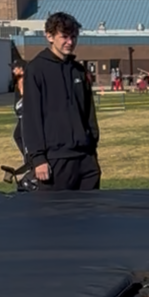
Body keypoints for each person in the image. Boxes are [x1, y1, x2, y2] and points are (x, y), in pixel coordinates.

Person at [23, 11, 101, 191]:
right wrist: (38, 158)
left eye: (74, 37)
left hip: (85, 158)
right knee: (56, 217)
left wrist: (92, 145)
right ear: (49, 36)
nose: (70, 42)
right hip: (55, 159)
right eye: (64, 37)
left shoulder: (78, 70)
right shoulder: (36, 69)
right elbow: (31, 117)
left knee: (90, 216)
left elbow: (88, 113)